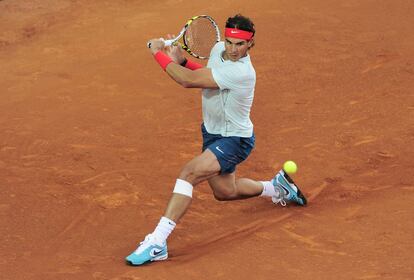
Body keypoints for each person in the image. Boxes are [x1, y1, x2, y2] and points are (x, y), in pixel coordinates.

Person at [125, 14, 307, 266]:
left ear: (250, 44)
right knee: (225, 192)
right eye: (230, 42)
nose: (233, 49)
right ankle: (276, 187)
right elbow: (207, 76)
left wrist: (158, 53)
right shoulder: (218, 48)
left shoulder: (243, 72)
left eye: (240, 44)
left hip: (235, 139)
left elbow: (187, 81)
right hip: (212, 133)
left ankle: (157, 242)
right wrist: (182, 60)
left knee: (188, 174)